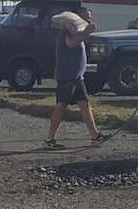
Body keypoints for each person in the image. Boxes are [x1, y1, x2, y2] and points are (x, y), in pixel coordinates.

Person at [45, 7, 107, 150]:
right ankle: (49, 139)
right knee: (61, 106)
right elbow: (72, 43)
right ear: (76, 18)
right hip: (67, 77)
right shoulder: (66, 33)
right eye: (86, 17)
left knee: (85, 105)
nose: (88, 20)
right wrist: (87, 32)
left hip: (77, 77)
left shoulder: (77, 33)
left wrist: (85, 32)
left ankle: (95, 136)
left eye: (89, 17)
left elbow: (79, 38)